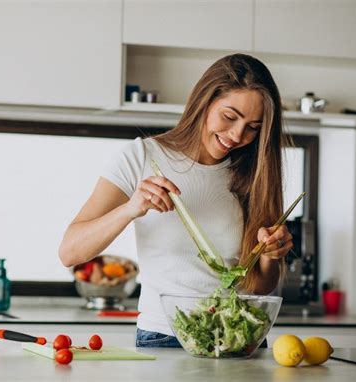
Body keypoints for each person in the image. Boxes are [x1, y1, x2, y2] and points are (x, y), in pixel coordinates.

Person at [59, 54, 293, 348]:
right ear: (204, 102)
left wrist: (272, 255)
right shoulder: (141, 157)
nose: (237, 135)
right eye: (229, 117)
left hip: (241, 337)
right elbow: (70, 251)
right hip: (165, 336)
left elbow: (258, 285)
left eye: (253, 127)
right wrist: (130, 208)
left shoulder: (254, 173)